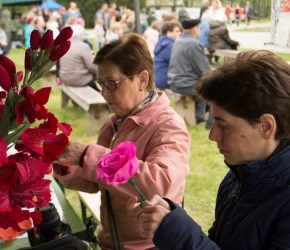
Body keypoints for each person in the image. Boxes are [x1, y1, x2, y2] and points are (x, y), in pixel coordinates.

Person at [128, 50, 290, 249]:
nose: (212, 135)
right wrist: (174, 220)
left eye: (223, 124)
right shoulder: (238, 178)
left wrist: (177, 233)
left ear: (265, 126)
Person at [53, 33, 190, 250]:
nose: (105, 93)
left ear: (142, 80)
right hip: (111, 241)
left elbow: (161, 186)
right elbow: (101, 181)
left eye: (112, 84)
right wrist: (70, 167)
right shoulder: (114, 123)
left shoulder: (167, 125)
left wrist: (89, 156)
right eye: (101, 83)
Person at [168, 18, 211, 123]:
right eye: (199, 28)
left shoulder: (178, 40)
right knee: (207, 84)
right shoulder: (194, 44)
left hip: (173, 82)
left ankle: (202, 112)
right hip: (185, 84)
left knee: (202, 81)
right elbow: (204, 70)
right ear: (195, 29)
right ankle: (199, 116)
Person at [58, 24, 98, 91]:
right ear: (81, 35)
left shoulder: (64, 45)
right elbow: (91, 67)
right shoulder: (83, 46)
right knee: (101, 80)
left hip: (65, 78)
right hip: (79, 80)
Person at [154, 20, 182, 90]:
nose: (180, 33)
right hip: (166, 81)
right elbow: (177, 64)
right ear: (169, 33)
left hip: (158, 79)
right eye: (177, 31)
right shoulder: (170, 45)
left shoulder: (161, 42)